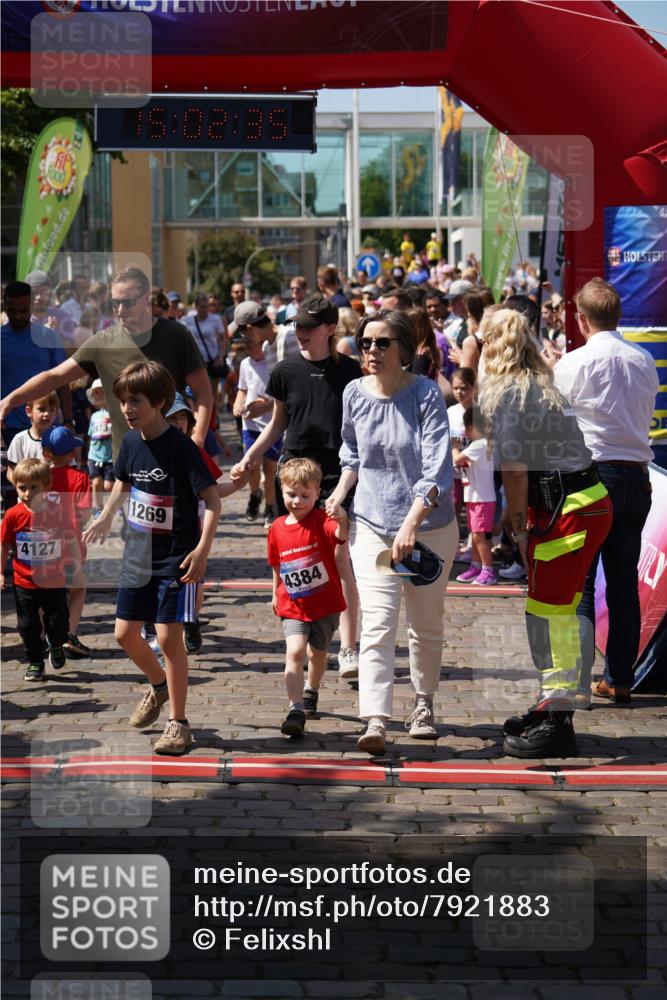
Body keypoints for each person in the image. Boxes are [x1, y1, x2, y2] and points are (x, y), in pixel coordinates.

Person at [479, 308, 613, 757]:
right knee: (558, 614)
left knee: (548, 617)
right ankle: (551, 708)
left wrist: (518, 530)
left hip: (566, 512)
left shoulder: (510, 393)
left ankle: (557, 721)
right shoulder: (539, 382)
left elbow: (515, 473)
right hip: (582, 503)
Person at [326, 310, 458, 755]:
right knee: (378, 623)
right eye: (365, 343)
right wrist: (341, 493)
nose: (372, 351)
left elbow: (438, 469)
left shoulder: (425, 395)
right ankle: (375, 719)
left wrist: (411, 525)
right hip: (372, 525)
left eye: (382, 343)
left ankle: (423, 703)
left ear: (403, 348)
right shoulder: (353, 394)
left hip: (428, 528)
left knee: (424, 624)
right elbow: (352, 454)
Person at [83, 361, 221, 755]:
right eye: (123, 401)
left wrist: (202, 550)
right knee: (124, 634)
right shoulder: (129, 441)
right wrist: (106, 516)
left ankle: (179, 724)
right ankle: (158, 686)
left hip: (177, 558)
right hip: (137, 554)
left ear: (159, 402)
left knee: (167, 638)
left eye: (135, 401)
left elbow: (211, 501)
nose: (127, 408)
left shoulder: (182, 448)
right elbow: (123, 481)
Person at [231, 294, 361, 680]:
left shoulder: (351, 371)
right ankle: (305, 635)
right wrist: (251, 457)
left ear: (330, 330)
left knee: (340, 560)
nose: (301, 333)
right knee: (301, 557)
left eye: (309, 327)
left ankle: (348, 648)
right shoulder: (285, 370)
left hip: (338, 471)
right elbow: (276, 423)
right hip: (295, 470)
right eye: (298, 326)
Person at [553, 278, 659, 704]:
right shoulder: (643, 359)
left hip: (590, 475)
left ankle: (578, 683)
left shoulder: (573, 363)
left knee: (580, 582)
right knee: (622, 585)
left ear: (581, 319)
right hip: (634, 474)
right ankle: (619, 678)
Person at [0, 267, 213, 459]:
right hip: (127, 459)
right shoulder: (103, 342)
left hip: (172, 453)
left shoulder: (176, 335)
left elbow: (203, 392)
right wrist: (10, 400)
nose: (120, 310)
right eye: (114, 303)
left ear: (146, 298)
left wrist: (198, 438)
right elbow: (54, 377)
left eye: (127, 302)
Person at [268, 458, 348, 738]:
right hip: (293, 604)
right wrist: (275, 592)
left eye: (305, 495)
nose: (297, 501)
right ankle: (295, 707)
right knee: (295, 651)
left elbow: (339, 535)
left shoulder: (322, 520)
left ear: (317, 494)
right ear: (281, 491)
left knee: (319, 653)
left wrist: (342, 519)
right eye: (291, 494)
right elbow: (276, 563)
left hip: (324, 604)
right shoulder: (277, 527)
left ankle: (311, 689)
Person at [0, 458, 82, 681]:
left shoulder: (58, 512)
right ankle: (35, 661)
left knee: (58, 624)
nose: (27, 493)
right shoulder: (13, 515)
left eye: (34, 487)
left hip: (53, 580)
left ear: (47, 487)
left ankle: (56, 645)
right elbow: (4, 543)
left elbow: (71, 539)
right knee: (27, 626)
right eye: (22, 488)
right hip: (24, 582)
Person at [41, 425, 92, 660]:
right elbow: (84, 514)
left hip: (45, 545)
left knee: (45, 592)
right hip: (71, 545)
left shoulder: (42, 478)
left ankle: (44, 636)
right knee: (77, 589)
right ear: (73, 453)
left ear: (46, 453)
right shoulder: (80, 478)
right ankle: (69, 633)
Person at [1, 281, 72, 448]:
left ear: (32, 306)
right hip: (7, 428)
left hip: (45, 425)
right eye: (12, 311)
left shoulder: (49, 337)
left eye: (23, 310)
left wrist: (69, 420)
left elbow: (62, 381)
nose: (18, 316)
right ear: (4, 306)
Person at [233, 316, 281, 528]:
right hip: (250, 424)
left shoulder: (273, 361)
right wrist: (238, 402)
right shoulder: (245, 364)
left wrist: (267, 405)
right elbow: (243, 389)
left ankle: (270, 506)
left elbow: (280, 395)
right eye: (246, 345)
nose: (248, 348)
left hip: (272, 423)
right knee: (251, 466)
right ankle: (255, 493)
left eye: (251, 344)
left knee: (270, 469)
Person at [452, 407, 497, 586]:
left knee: (480, 536)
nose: (465, 431)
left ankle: (488, 570)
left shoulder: (481, 444)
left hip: (482, 499)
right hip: (474, 497)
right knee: (475, 534)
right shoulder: (476, 445)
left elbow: (456, 459)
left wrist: (454, 448)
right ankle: (476, 565)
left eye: (468, 427)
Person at [6, 392, 59, 481]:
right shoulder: (20, 439)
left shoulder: (60, 438)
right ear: (28, 411)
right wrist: (23, 487)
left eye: (52, 410)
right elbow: (11, 471)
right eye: (42, 409)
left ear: (57, 412)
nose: (47, 414)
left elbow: (70, 468)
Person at [183, 291, 228, 393]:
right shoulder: (187, 320)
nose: (204, 310)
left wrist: (220, 357)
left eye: (206, 307)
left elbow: (222, 338)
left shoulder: (215, 320)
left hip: (212, 361)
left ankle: (214, 409)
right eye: (202, 307)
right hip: (195, 362)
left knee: (212, 392)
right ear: (196, 307)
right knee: (198, 392)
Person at [86, 378, 114, 514]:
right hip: (94, 456)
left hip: (110, 457)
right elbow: (91, 435)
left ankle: (113, 505)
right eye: (96, 393)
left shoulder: (116, 414)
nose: (100, 395)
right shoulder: (94, 416)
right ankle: (98, 507)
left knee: (109, 486)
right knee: (96, 483)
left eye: (102, 391)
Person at [406, 307, 441, 381]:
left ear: (415, 328)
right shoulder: (427, 349)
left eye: (406, 324)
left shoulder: (421, 355)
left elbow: (417, 386)